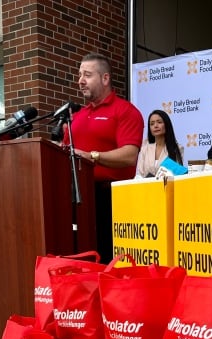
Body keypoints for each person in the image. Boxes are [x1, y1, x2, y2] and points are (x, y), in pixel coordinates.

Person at [68, 53, 144, 263]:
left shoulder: (125, 111)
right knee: (80, 259)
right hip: (76, 199)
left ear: (105, 78)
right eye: (79, 74)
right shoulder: (78, 116)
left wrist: (92, 156)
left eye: (87, 75)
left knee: (106, 260)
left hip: (109, 199)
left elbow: (129, 155)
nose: (80, 80)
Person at [135, 109, 184, 178]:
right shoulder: (144, 149)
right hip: (147, 187)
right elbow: (139, 175)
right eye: (152, 124)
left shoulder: (177, 148)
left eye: (159, 122)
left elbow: (178, 175)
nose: (155, 126)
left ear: (166, 124)